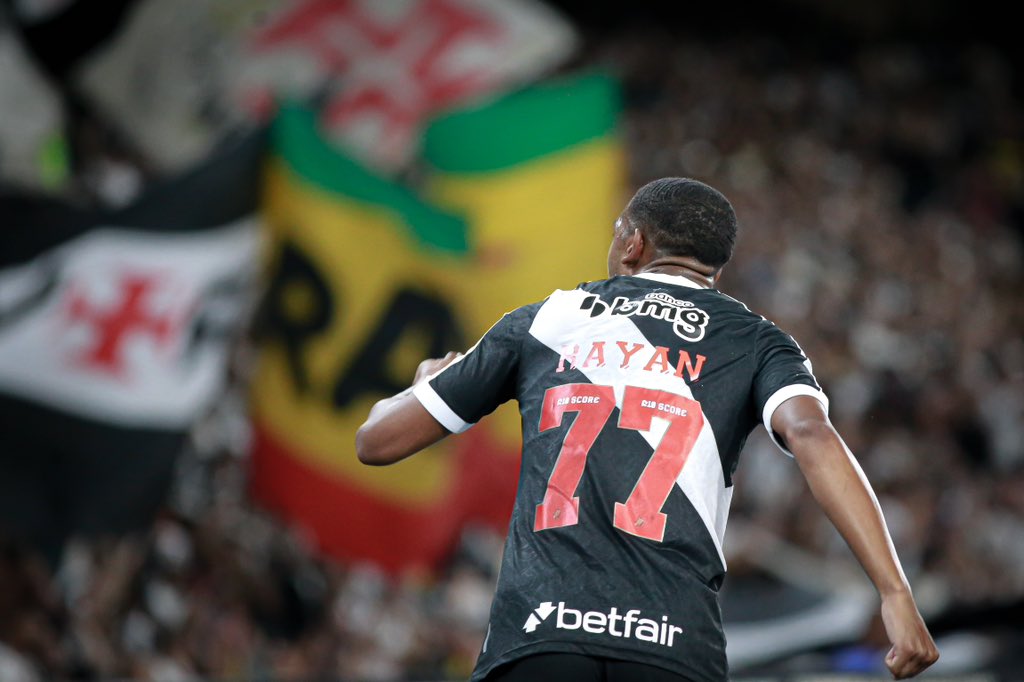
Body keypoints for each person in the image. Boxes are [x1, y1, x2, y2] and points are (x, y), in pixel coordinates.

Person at [355, 178, 939, 681]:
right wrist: (894, 592)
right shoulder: (758, 341)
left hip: (539, 634)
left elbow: (376, 443)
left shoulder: (549, 319)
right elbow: (811, 435)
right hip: (674, 646)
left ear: (633, 243)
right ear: (714, 267)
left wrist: (423, 385)